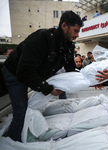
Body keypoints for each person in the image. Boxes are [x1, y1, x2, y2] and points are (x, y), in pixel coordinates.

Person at [3, 11, 83, 142]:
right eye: (75, 31)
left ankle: (25, 137)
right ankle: (13, 143)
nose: (77, 35)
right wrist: (49, 89)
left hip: (34, 74)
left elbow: (70, 71)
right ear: (64, 26)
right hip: (15, 74)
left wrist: (88, 80)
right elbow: (23, 72)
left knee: (31, 108)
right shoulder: (41, 39)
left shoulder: (68, 47)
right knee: (21, 113)